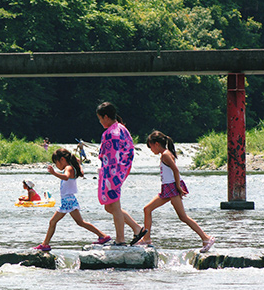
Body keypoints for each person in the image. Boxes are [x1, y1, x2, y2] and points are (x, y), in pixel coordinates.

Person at [142, 131, 215, 252]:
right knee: (147, 209)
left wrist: (178, 188)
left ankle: (206, 238)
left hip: (172, 188)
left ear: (156, 144)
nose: (151, 150)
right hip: (167, 188)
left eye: (151, 147)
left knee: (183, 216)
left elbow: (176, 171)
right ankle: (146, 239)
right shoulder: (165, 154)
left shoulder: (165, 155)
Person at [33, 148, 111, 251]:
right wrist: (78, 164)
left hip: (67, 200)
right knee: (80, 222)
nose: (56, 166)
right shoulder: (73, 167)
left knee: (53, 221)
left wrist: (54, 173)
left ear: (62, 159)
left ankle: (45, 244)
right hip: (70, 199)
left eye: (56, 163)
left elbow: (66, 177)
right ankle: (103, 236)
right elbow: (81, 173)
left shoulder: (68, 168)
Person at [96, 102, 147, 246]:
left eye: (100, 119)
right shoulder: (121, 128)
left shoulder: (112, 133)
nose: (100, 122)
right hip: (119, 172)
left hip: (113, 173)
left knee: (115, 207)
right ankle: (137, 228)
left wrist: (112, 175)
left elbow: (112, 156)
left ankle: (120, 240)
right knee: (109, 207)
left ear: (106, 117)